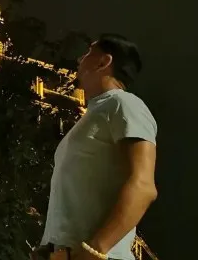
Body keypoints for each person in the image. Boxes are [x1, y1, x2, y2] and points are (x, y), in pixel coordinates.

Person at [34, 34, 158, 260]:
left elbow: (143, 186)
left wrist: (93, 251)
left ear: (104, 62)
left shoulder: (124, 104)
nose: (80, 59)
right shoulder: (95, 115)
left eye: (88, 53)